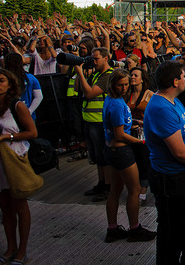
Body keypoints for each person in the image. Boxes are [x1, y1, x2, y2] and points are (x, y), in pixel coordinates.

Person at [144, 61, 185, 265]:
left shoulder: (174, 101)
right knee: (173, 228)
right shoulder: (161, 107)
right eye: (182, 76)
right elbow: (179, 151)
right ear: (175, 81)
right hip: (171, 178)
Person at [0, 69, 37, 265]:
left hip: (13, 158)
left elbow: (32, 132)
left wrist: (9, 136)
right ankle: (10, 247)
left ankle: (22, 250)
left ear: (9, 84)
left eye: (1, 80)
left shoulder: (17, 106)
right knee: (5, 208)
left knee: (20, 205)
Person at [101, 68, 156, 243]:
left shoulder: (110, 100)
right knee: (134, 190)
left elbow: (118, 127)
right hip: (122, 150)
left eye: (126, 85)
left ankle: (112, 228)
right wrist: (139, 142)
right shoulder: (117, 104)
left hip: (111, 150)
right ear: (112, 84)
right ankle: (135, 228)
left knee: (115, 191)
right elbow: (119, 135)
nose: (125, 88)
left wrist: (132, 124)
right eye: (121, 85)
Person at [74, 47, 113, 201]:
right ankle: (101, 183)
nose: (94, 62)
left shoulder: (108, 76)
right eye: (93, 58)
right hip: (89, 119)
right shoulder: (96, 73)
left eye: (96, 59)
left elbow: (90, 93)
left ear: (106, 58)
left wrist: (79, 73)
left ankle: (108, 186)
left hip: (100, 121)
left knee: (104, 156)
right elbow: (79, 88)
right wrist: (81, 74)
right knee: (97, 157)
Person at [127, 67, 153, 204]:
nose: (132, 77)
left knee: (143, 161)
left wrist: (140, 122)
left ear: (142, 79)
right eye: (131, 75)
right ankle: (136, 187)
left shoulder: (149, 94)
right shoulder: (128, 94)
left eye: (135, 75)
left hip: (143, 133)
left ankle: (143, 188)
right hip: (129, 132)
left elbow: (155, 115)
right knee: (133, 161)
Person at [2, 52, 42, 119]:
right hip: (27, 115)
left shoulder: (2, 78)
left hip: (7, 116)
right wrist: (29, 111)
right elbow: (39, 97)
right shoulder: (30, 77)